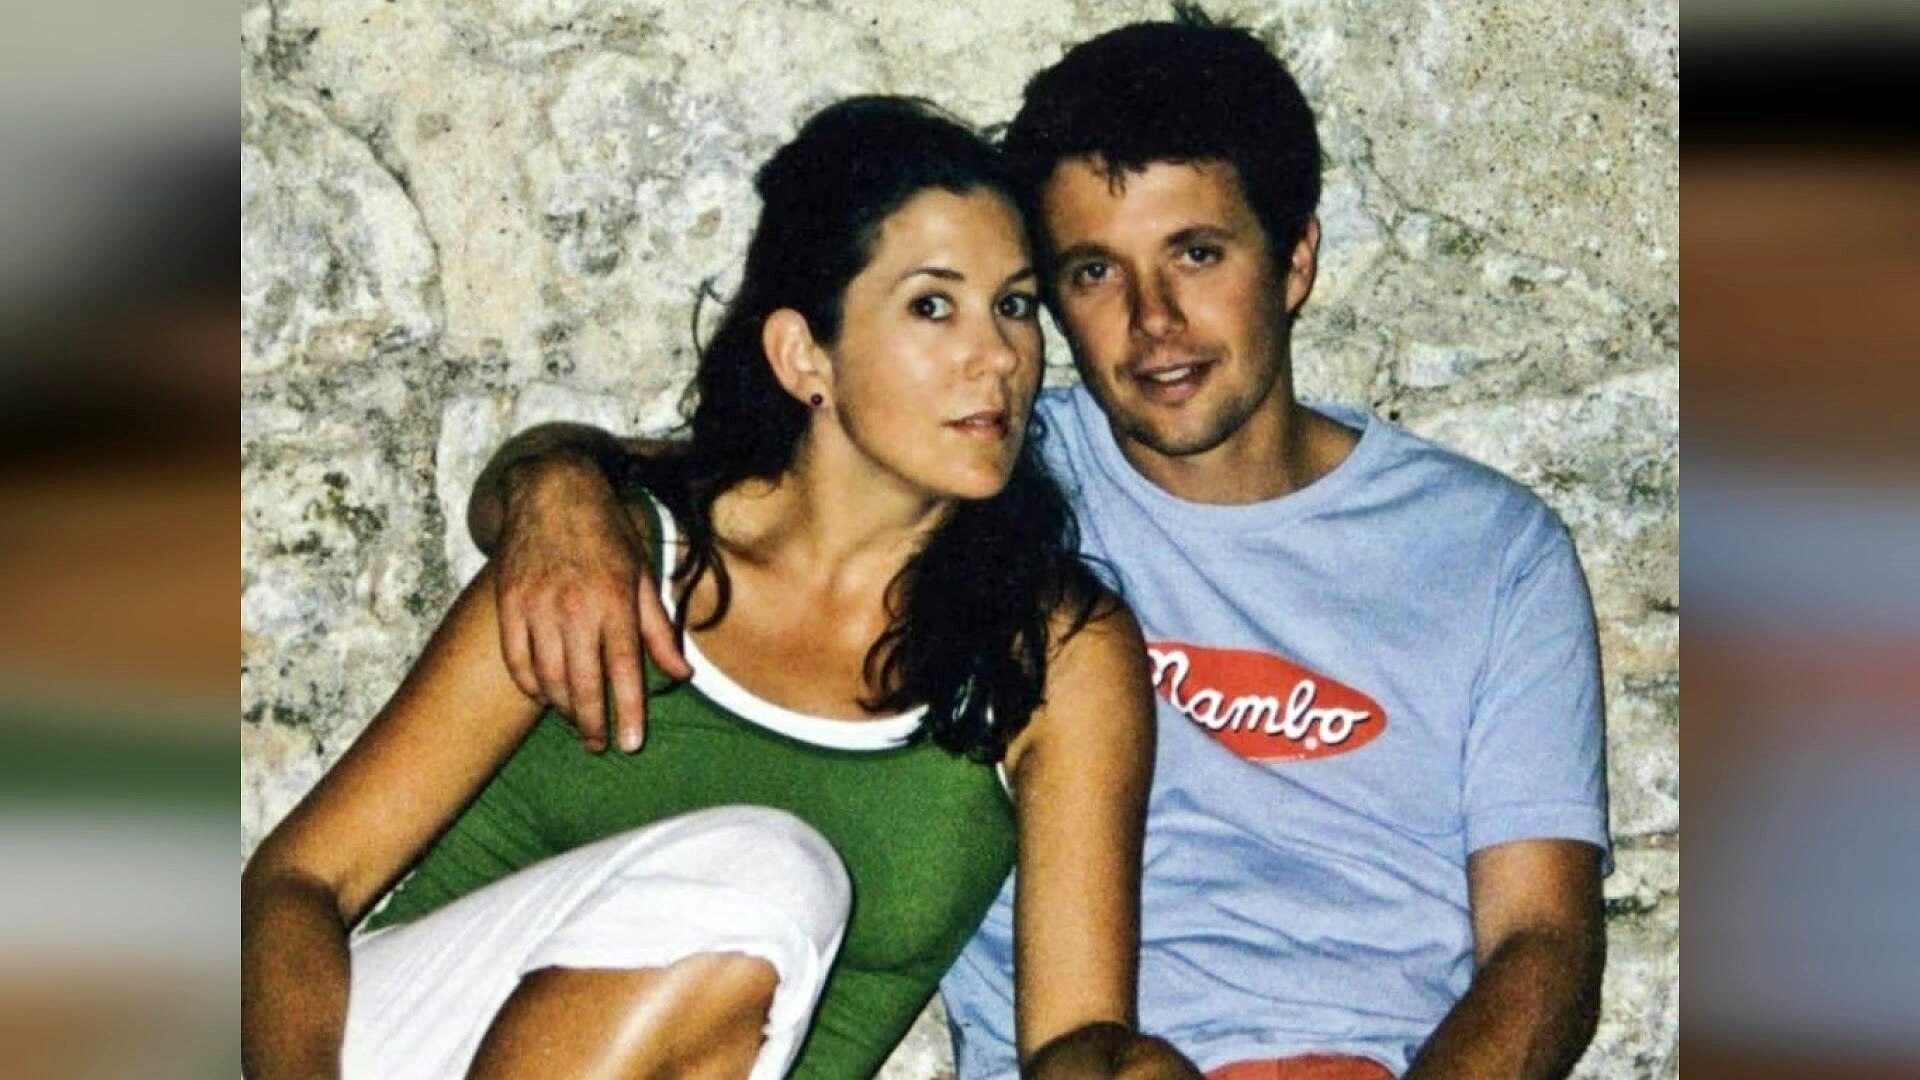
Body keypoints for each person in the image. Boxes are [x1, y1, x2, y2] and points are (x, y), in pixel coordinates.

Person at [470, 11, 1612, 1080]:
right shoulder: (986, 472)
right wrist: (558, 490)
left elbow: (1544, 946)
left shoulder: (1488, 549)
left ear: (1296, 261)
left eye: (1199, 254)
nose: (1152, 318)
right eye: (1095, 273)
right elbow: (682, 484)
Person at [242, 96, 1184, 1080]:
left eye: (1017, 306)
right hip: (375, 1048)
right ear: (804, 357)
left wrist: (1132, 1070)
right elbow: (297, 881)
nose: (997, 356)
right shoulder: (601, 556)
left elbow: (1075, 1037)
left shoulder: (1057, 651)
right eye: (933, 304)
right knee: (769, 875)